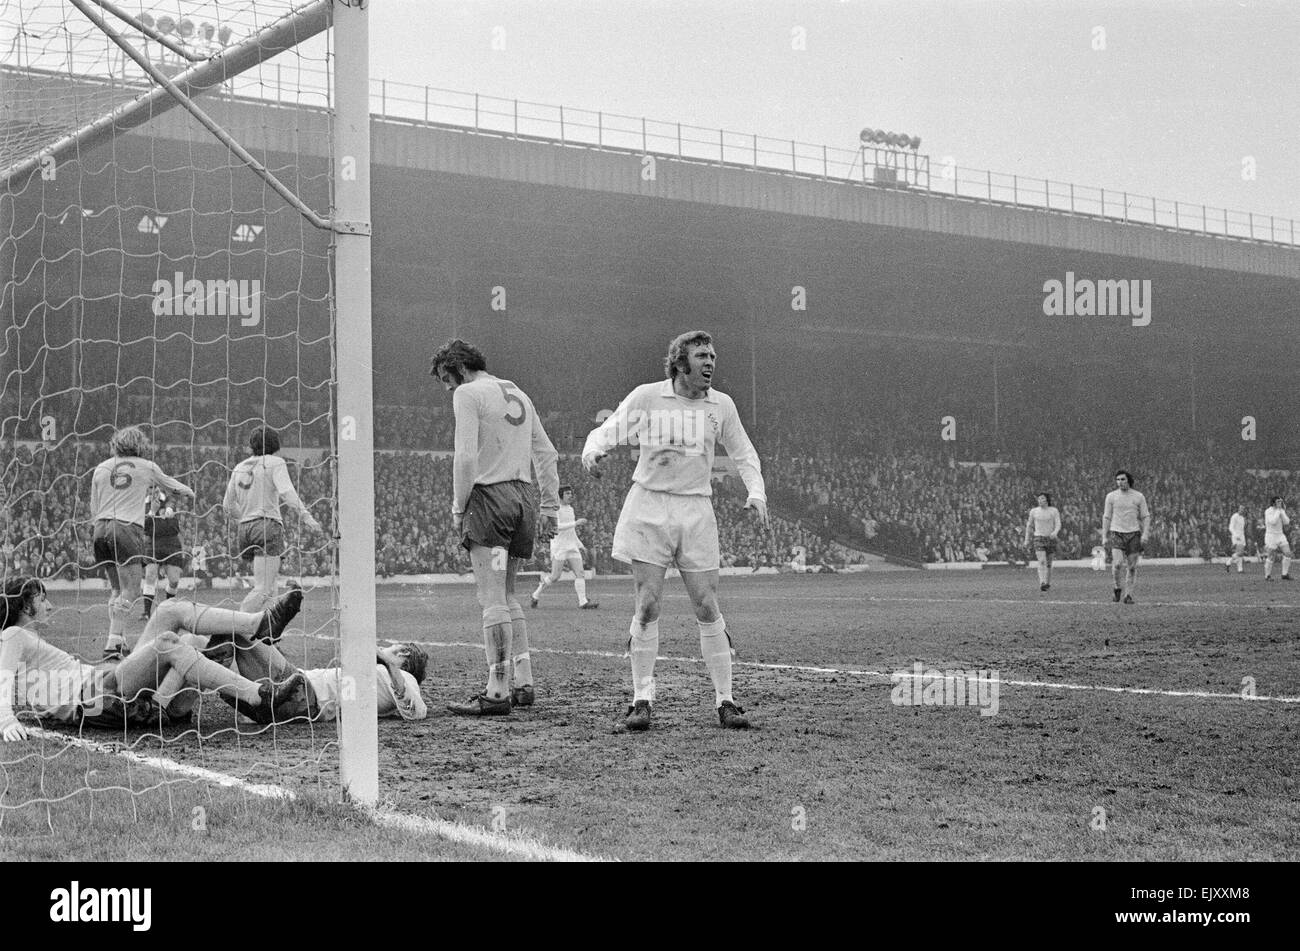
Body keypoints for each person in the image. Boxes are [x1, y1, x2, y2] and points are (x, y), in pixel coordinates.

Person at [583, 330, 767, 731]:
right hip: (649, 506)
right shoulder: (648, 397)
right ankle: (641, 700)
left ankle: (726, 701)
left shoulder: (722, 405)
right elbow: (609, 429)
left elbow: (744, 452)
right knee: (647, 604)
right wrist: (592, 452)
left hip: (696, 509)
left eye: (713, 355)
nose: (711, 362)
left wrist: (757, 492)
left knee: (706, 604)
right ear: (680, 362)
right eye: (702, 355)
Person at [0, 576, 304, 741]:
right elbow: (3, 675)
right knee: (171, 644)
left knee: (170, 611)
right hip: (94, 698)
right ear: (25, 607)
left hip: (103, 683)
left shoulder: (27, 640)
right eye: (42, 599)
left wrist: (115, 631)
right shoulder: (13, 635)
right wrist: (6, 718)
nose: (50, 605)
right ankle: (256, 695)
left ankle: (258, 624)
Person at [430, 339, 560, 715]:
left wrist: (458, 506)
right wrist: (549, 506)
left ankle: (497, 690)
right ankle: (524, 682)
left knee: (491, 599)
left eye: (445, 378)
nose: (447, 387)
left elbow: (466, 455)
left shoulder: (469, 393)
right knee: (508, 594)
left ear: (458, 368)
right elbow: (547, 453)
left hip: (489, 499)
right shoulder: (517, 391)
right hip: (522, 498)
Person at [167, 627, 429, 724]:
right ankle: (175, 708)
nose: (388, 647)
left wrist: (390, 664)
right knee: (205, 641)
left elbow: (416, 712)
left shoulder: (404, 678)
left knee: (238, 631)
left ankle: (172, 707)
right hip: (290, 695)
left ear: (404, 655)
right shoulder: (377, 674)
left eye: (395, 648)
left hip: (301, 694)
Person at [89, 425, 195, 659]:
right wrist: (191, 493)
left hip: (99, 529)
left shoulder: (101, 468)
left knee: (117, 588)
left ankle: (119, 640)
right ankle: (112, 643)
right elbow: (173, 487)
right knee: (132, 589)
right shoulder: (147, 467)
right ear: (140, 445)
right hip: (126, 529)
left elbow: (93, 508)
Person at [223, 426, 323, 614]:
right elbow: (287, 492)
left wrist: (246, 518)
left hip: (245, 529)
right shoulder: (275, 462)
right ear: (275, 444)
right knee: (263, 588)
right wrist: (306, 516)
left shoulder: (239, 467)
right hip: (267, 525)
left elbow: (227, 505)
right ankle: (235, 629)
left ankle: (269, 637)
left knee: (270, 585)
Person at [530, 485, 599, 609]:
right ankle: (535, 594)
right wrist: (575, 523)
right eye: (567, 493)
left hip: (571, 546)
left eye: (571, 493)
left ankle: (583, 602)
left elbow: (571, 531)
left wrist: (580, 545)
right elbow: (556, 527)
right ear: (560, 495)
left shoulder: (571, 509)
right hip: (559, 547)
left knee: (580, 573)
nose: (570, 495)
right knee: (555, 576)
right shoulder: (556, 509)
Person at [1101, 470, 1150, 604]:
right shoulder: (1111, 496)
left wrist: (1145, 534)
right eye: (1118, 480)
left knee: (1132, 567)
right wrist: (1104, 536)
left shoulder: (1138, 496)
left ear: (1128, 480)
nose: (1120, 482)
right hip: (1117, 532)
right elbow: (1106, 516)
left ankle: (1128, 595)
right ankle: (1117, 587)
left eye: (1122, 479)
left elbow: (1146, 516)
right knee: (1117, 564)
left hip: (1133, 533)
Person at [141, 491, 185, 619]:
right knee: (150, 575)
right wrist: (152, 513)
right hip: (153, 544)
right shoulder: (143, 504)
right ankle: (146, 612)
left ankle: (167, 608)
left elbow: (173, 527)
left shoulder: (169, 502)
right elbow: (146, 528)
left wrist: (169, 508)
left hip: (172, 545)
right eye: (150, 487)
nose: (152, 490)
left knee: (174, 581)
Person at [1024, 492, 1062, 591]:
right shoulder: (1034, 511)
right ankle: (1042, 582)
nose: (1040, 500)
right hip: (1038, 538)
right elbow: (1029, 525)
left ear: (1047, 500)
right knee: (1041, 561)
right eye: (1039, 499)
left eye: (1042, 498)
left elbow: (1058, 524)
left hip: (1050, 538)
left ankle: (1048, 582)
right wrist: (1026, 539)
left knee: (1049, 563)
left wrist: (1055, 532)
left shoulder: (1053, 510)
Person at [1262, 496, 1292, 581]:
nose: (1280, 503)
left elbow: (1287, 522)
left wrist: (1282, 512)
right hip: (1271, 536)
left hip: (1280, 535)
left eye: (1281, 501)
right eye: (1278, 501)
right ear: (1274, 502)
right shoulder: (1268, 511)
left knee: (1288, 553)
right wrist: (1279, 511)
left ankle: (1284, 574)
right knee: (1271, 556)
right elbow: (1273, 522)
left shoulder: (1281, 510)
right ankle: (1267, 576)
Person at [1226, 504, 1248, 574]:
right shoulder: (1234, 516)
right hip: (1236, 536)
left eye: (1243, 509)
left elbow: (1242, 528)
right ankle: (1228, 562)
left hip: (1242, 536)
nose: (1242, 510)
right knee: (1240, 552)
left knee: (1240, 554)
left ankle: (1240, 569)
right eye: (1241, 509)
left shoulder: (1243, 518)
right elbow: (1231, 527)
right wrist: (1235, 535)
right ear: (1238, 509)